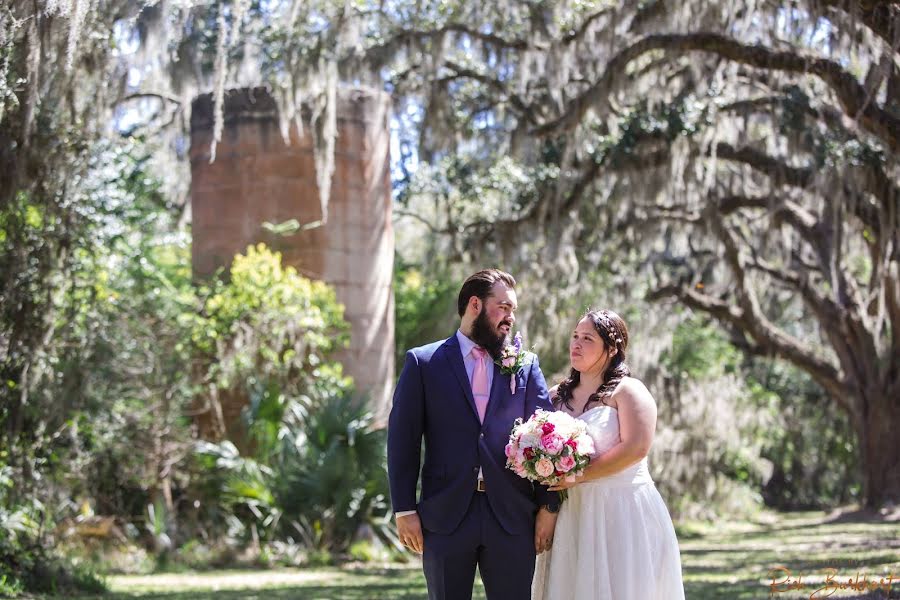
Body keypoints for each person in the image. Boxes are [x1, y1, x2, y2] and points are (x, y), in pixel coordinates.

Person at [388, 268, 561, 600]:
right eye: (504, 307)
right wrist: (405, 509)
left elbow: (546, 436)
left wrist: (548, 507)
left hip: (511, 515)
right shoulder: (423, 363)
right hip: (445, 515)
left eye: (513, 310)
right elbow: (402, 441)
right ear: (475, 305)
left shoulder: (525, 365)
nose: (510, 317)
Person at [532, 309, 685, 600]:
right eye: (575, 336)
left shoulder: (629, 392)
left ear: (612, 349)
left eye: (587, 338)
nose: (576, 344)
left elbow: (635, 449)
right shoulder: (554, 396)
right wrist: (548, 508)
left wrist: (578, 476)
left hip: (622, 511)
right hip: (570, 514)